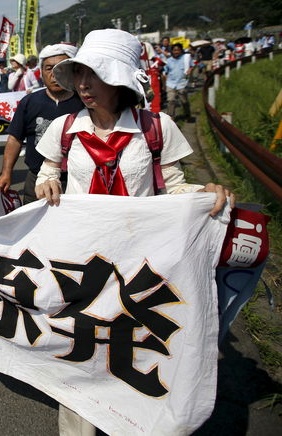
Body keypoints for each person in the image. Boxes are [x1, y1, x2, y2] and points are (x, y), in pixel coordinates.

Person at [32, 29, 232, 435]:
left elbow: (173, 186)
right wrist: (46, 182)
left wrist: (204, 191)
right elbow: (49, 170)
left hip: (140, 265)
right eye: (80, 74)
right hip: (80, 265)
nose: (84, 84)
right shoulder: (65, 128)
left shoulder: (156, 128)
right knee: (81, 354)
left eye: (95, 74)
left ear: (122, 80)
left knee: (135, 351)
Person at [0, 44, 83, 203]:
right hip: (36, 181)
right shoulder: (29, 102)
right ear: (40, 72)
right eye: (49, 68)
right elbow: (14, 139)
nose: (55, 74)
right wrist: (6, 172)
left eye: (61, 68)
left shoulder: (86, 102)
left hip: (78, 181)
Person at [164, 43, 192, 121]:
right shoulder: (168, 61)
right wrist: (164, 84)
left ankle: (187, 114)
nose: (176, 52)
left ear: (181, 50)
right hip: (170, 83)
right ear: (172, 51)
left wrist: (190, 70)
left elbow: (192, 66)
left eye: (178, 50)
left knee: (184, 101)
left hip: (182, 83)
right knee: (170, 100)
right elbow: (166, 72)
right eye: (174, 50)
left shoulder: (186, 58)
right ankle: (171, 117)